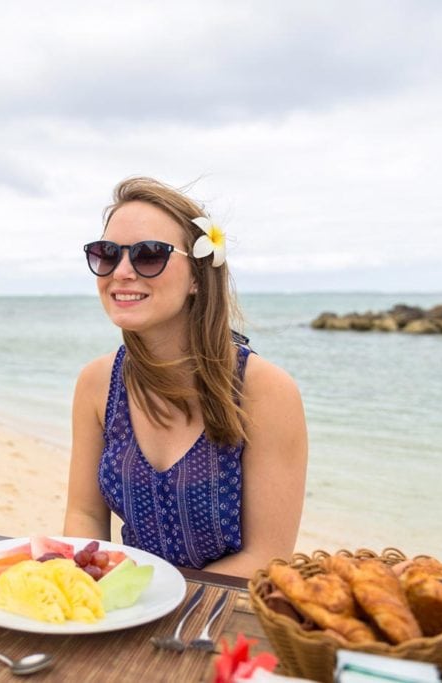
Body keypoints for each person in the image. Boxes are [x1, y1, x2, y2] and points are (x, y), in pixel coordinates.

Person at [63, 176, 308, 577]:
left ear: (197, 276)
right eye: (107, 254)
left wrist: (151, 597)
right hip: (123, 608)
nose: (121, 272)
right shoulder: (97, 382)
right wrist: (91, 588)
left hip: (219, 615)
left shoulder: (265, 390)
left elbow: (267, 558)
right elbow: (85, 513)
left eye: (149, 255)